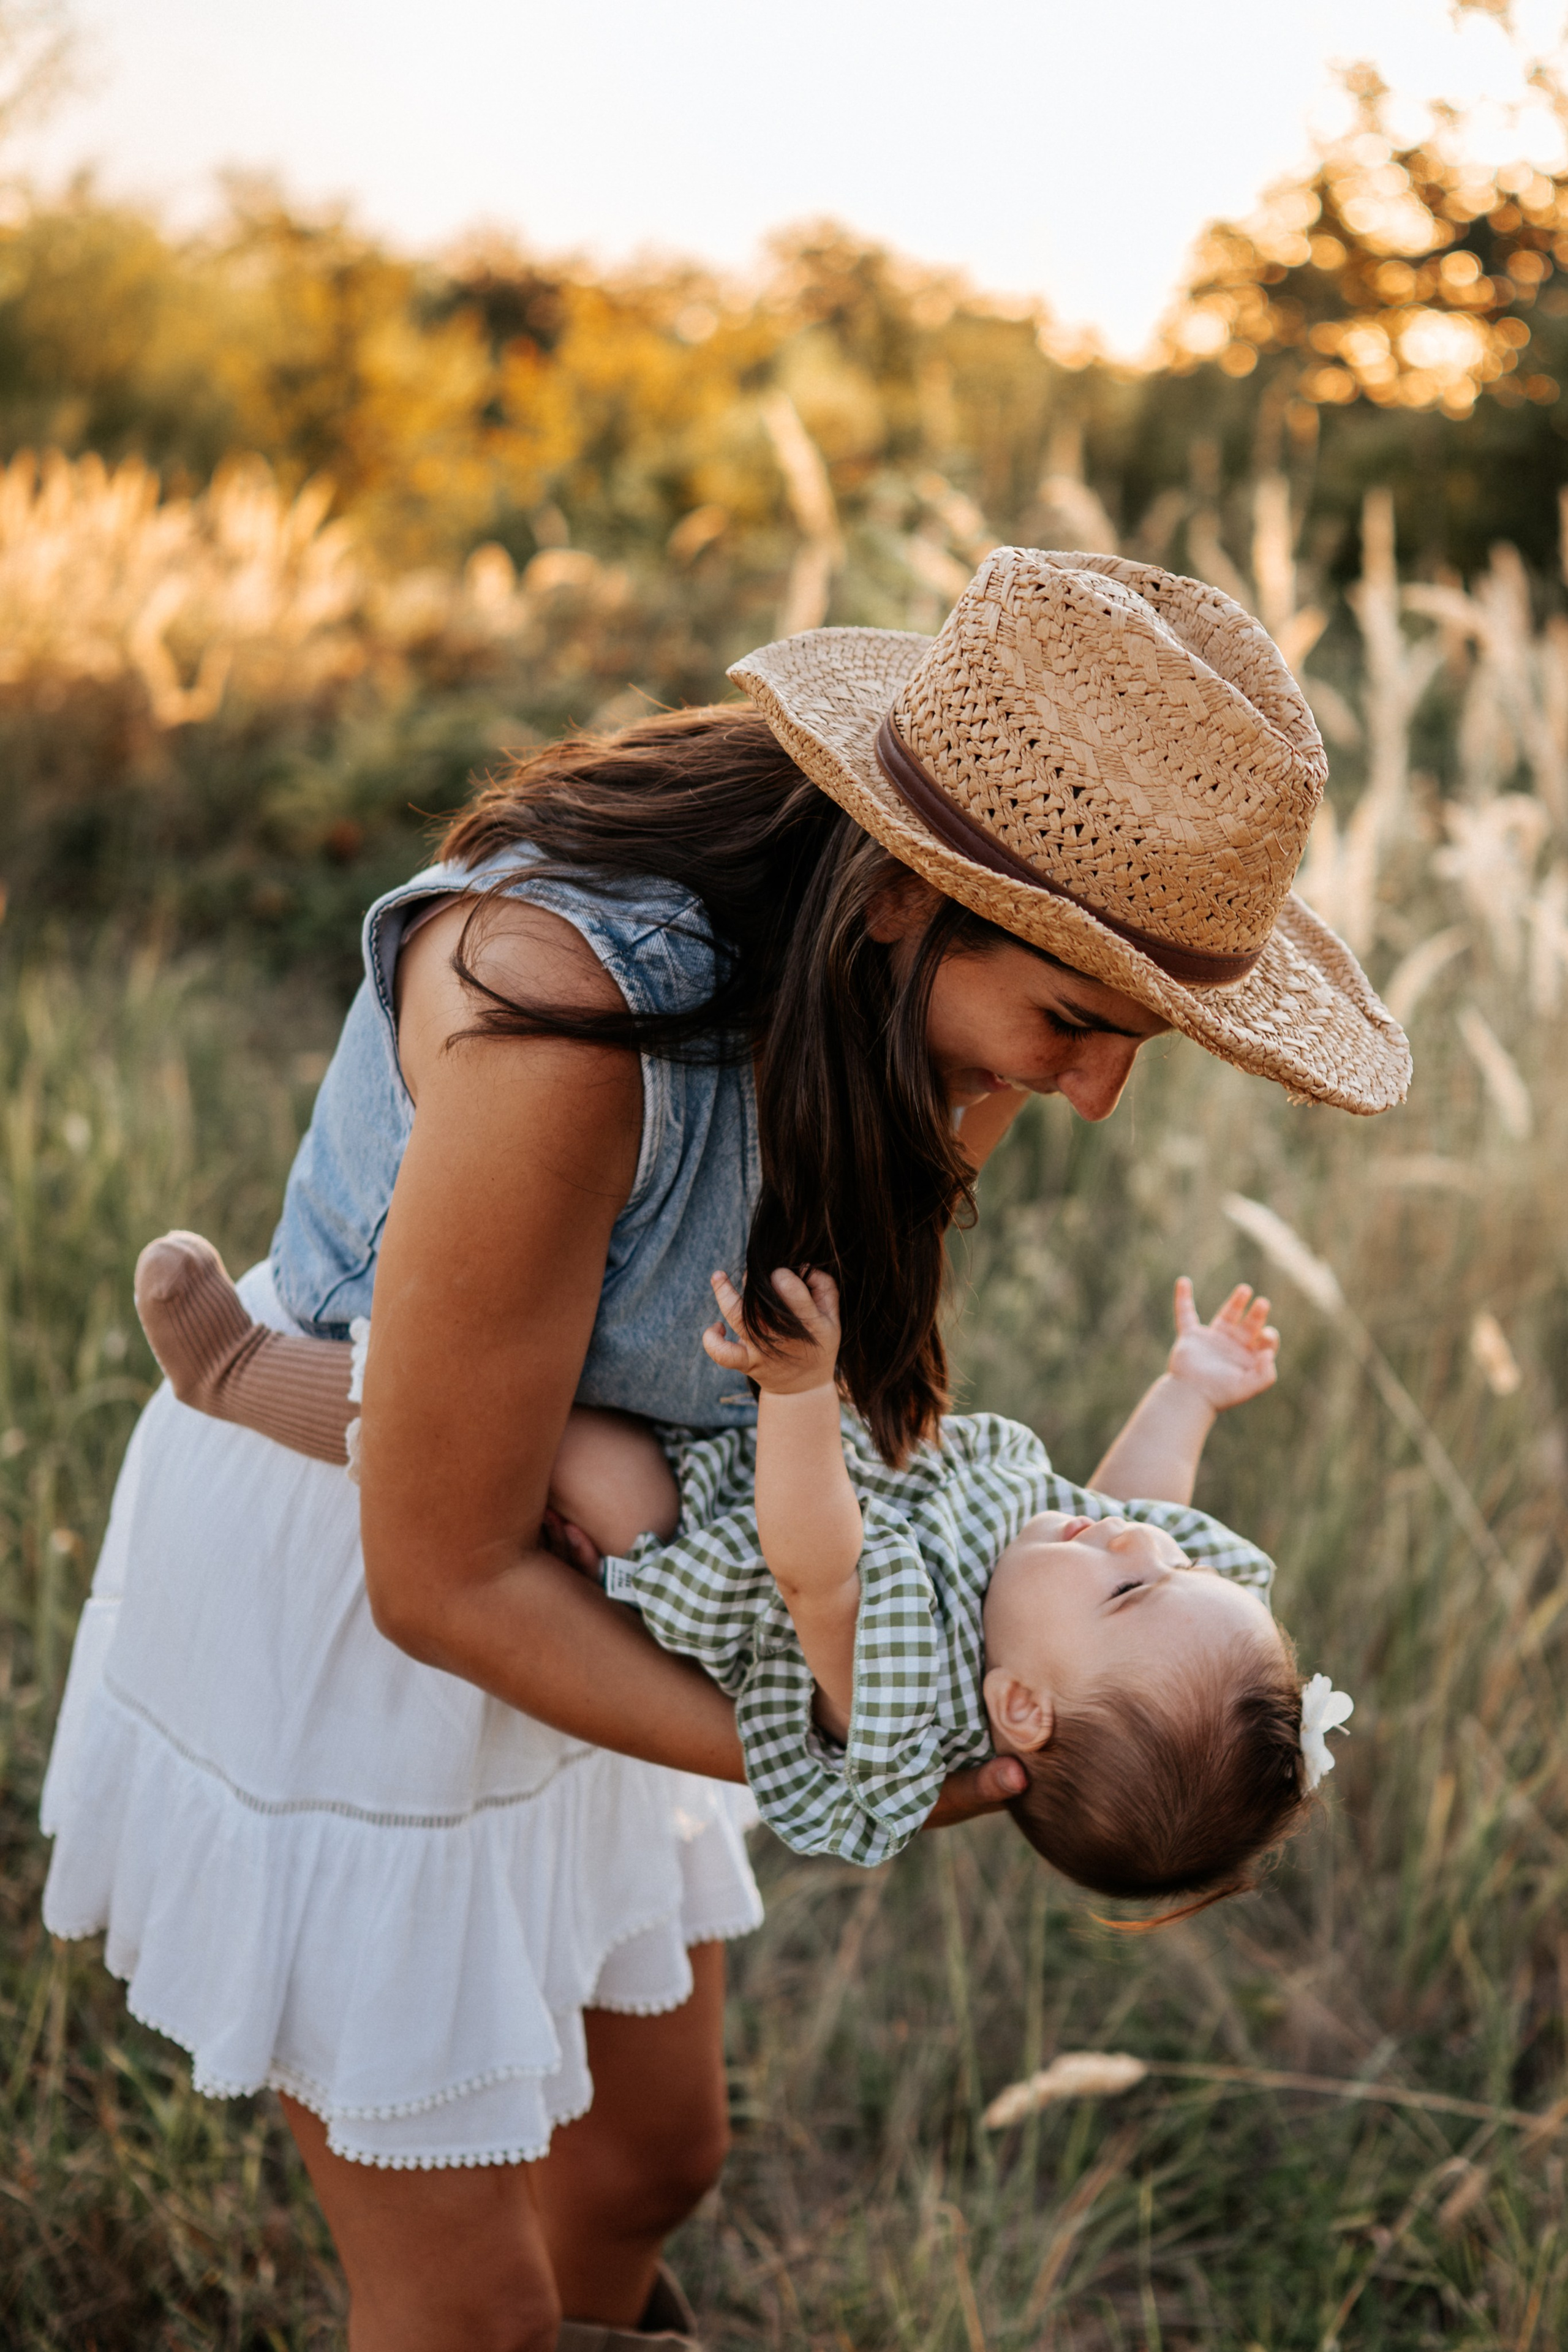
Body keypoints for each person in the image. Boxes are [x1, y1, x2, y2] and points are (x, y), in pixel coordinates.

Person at [39, 549, 1409, 2352]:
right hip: (376, 1569)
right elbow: (441, 1572)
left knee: (648, 2163)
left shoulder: (919, 1025)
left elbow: (915, 1458)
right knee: (468, 2309)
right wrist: (864, 1764)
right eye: (1077, 1023)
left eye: (1136, 1040)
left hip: (657, 1579)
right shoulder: (564, 1004)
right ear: (906, 898)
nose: (1091, 1095)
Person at [133, 1237, 1348, 1894]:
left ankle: (238, 1374)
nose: (1139, 1541)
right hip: (765, 1450)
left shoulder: (912, 1691)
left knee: (558, 1443)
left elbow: (815, 1570)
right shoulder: (1067, 1570)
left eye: (1136, 1585)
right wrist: (1190, 1393)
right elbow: (1141, 1503)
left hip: (697, 1532)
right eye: (1177, 1563)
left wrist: (801, 1394)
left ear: (1021, 1708)